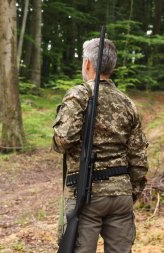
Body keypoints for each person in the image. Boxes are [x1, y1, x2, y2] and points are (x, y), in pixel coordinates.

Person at [52, 38, 149, 253]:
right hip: (121, 195)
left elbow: (63, 140)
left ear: (87, 64)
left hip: (85, 194)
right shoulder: (127, 102)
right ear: (111, 66)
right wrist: (130, 191)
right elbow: (138, 157)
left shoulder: (78, 95)